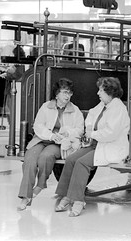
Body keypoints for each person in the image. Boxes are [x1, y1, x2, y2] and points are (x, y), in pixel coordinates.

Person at [54, 77, 130, 217]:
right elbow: (91, 114)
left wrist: (92, 133)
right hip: (96, 144)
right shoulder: (103, 104)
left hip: (110, 146)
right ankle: (66, 195)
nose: (98, 93)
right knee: (71, 159)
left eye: (101, 90)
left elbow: (111, 133)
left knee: (82, 163)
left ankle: (78, 200)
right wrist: (89, 128)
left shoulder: (118, 108)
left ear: (109, 91)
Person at [17, 78, 84, 211]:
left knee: (46, 157)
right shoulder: (46, 106)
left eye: (70, 93)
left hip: (59, 144)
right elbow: (38, 125)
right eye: (64, 92)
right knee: (29, 159)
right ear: (57, 94)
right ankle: (26, 196)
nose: (67, 96)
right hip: (41, 139)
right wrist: (51, 135)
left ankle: (40, 185)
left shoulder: (75, 110)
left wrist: (66, 133)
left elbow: (80, 129)